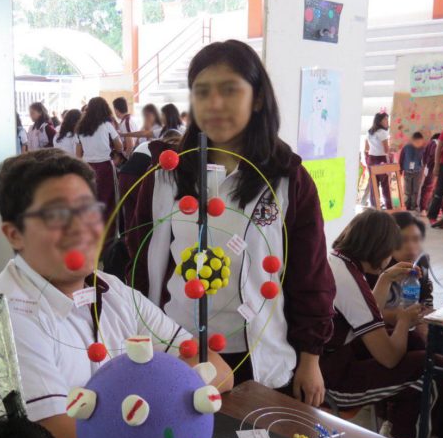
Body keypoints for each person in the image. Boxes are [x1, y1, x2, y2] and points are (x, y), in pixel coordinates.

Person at [0, 149, 232, 438]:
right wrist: (173, 399)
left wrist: (143, 411)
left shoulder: (110, 288)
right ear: (15, 234)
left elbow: (218, 370)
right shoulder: (6, 316)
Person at [128, 40, 336, 406]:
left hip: (258, 356)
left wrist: (311, 358)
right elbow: (139, 265)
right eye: (202, 92)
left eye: (229, 90)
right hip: (180, 351)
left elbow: (310, 274)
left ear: (258, 99)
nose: (214, 104)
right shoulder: (165, 177)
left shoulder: (287, 180)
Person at [323, 210, 426, 438]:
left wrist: (385, 278)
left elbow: (366, 315)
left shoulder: (340, 261)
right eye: (391, 250)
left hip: (333, 358)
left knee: (414, 342)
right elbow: (389, 358)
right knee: (424, 366)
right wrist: (403, 322)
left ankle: (392, 420)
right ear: (378, 249)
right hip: (333, 383)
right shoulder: (351, 282)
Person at [365, 212, 433, 339]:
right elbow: (364, 314)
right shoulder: (375, 268)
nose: (411, 247)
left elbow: (426, 299)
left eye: (416, 239)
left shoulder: (421, 264)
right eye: (402, 240)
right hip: (378, 331)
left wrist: (425, 315)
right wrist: (401, 317)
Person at [75, 97, 124, 225]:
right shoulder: (107, 125)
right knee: (108, 201)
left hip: (86, 167)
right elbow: (120, 147)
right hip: (105, 166)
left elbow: (78, 155)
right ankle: (108, 232)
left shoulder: (80, 128)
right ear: (104, 109)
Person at [364, 112, 392, 209]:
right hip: (381, 159)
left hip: (371, 159)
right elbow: (386, 150)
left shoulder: (369, 132)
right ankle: (389, 208)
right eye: (385, 119)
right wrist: (393, 149)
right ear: (379, 121)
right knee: (385, 185)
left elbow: (366, 148)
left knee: (373, 185)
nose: (387, 121)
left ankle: (374, 208)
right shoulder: (383, 133)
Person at [399, 131, 426, 212]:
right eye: (417, 142)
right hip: (407, 172)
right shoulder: (406, 148)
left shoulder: (423, 149)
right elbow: (401, 159)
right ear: (412, 140)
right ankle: (407, 205)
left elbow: (424, 161)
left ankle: (413, 206)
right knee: (407, 190)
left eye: (420, 142)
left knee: (415, 190)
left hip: (417, 172)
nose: (418, 144)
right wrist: (400, 170)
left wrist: (423, 171)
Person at [419, 132, 440, 212]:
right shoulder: (435, 143)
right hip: (435, 167)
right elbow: (433, 156)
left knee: (428, 187)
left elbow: (424, 157)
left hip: (429, 167)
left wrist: (426, 165)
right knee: (432, 188)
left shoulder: (430, 143)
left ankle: (423, 208)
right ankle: (426, 208)